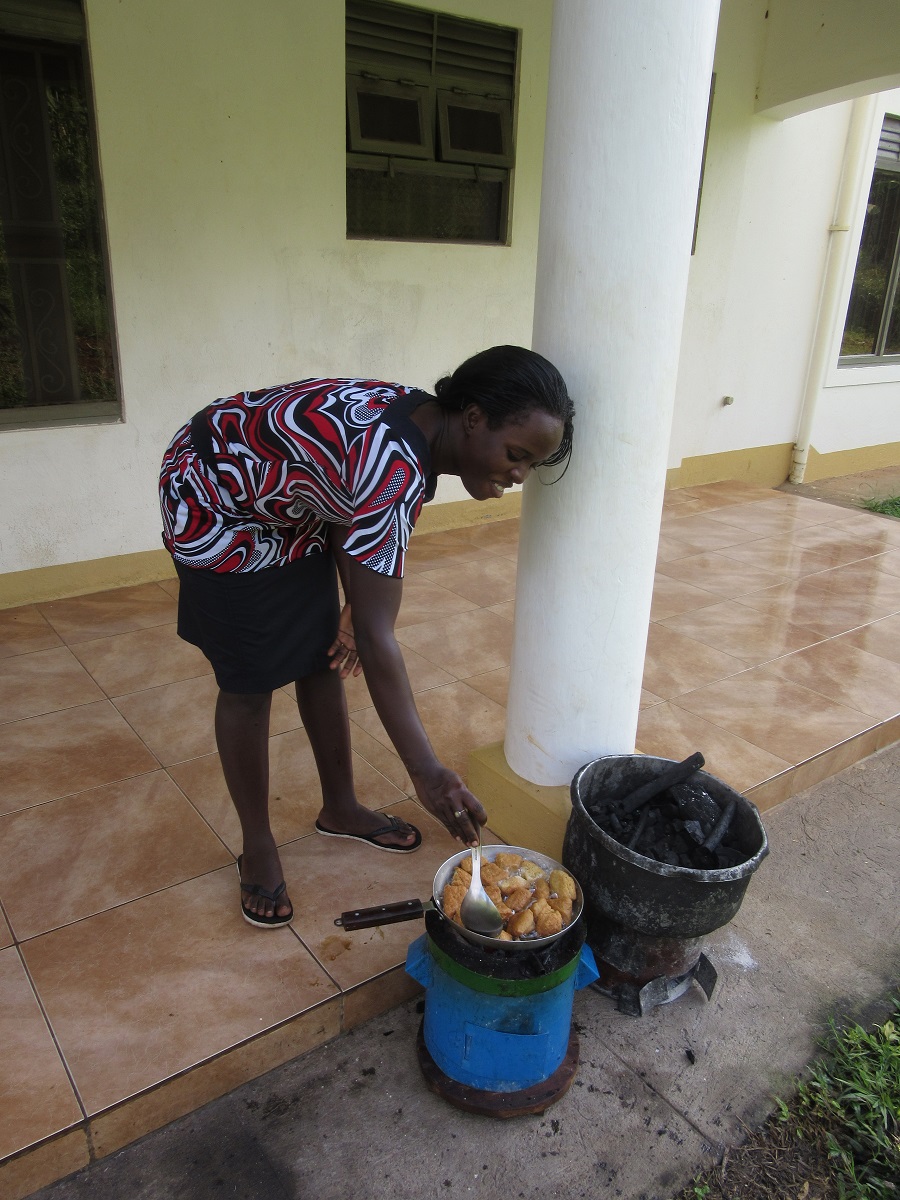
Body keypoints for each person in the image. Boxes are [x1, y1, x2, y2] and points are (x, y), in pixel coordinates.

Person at [159, 345, 573, 928]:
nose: (518, 475)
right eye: (515, 454)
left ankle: (341, 807)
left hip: (288, 502)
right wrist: (427, 771)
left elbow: (337, 486)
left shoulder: (423, 427)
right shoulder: (395, 465)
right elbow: (379, 640)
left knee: (321, 654)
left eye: (531, 464)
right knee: (249, 683)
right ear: (474, 417)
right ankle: (257, 842)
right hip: (213, 493)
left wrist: (356, 599)